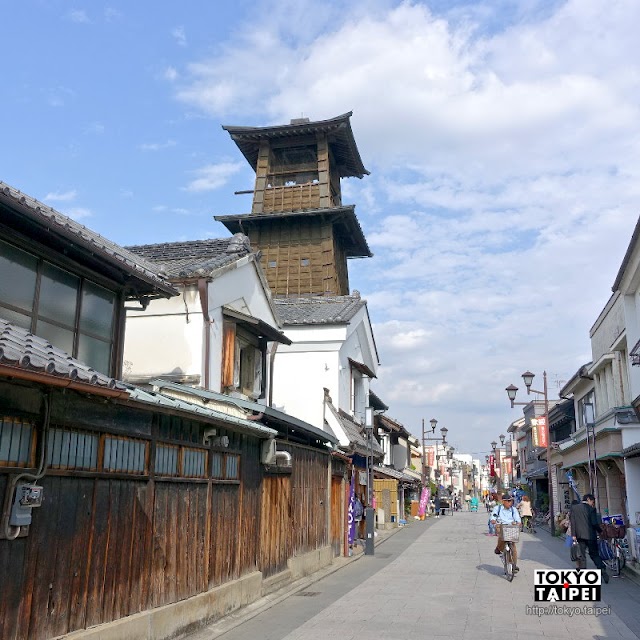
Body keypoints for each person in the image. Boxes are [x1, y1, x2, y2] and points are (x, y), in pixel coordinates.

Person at [569, 493, 609, 583]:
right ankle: (601, 569)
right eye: (592, 502)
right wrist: (600, 531)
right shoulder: (591, 509)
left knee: (582, 556)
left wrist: (573, 535)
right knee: (594, 554)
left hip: (580, 536)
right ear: (588, 499)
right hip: (591, 536)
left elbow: (573, 522)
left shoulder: (574, 508)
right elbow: (594, 523)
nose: (592, 504)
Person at [490, 493, 522, 571]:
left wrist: (518, 522)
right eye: (508, 501)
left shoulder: (513, 509)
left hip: (510, 527)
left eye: (511, 501)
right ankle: (499, 548)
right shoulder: (498, 508)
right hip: (500, 525)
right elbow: (493, 516)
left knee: (513, 547)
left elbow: (517, 518)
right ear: (503, 501)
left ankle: (514, 565)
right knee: (501, 536)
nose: (510, 503)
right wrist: (493, 520)